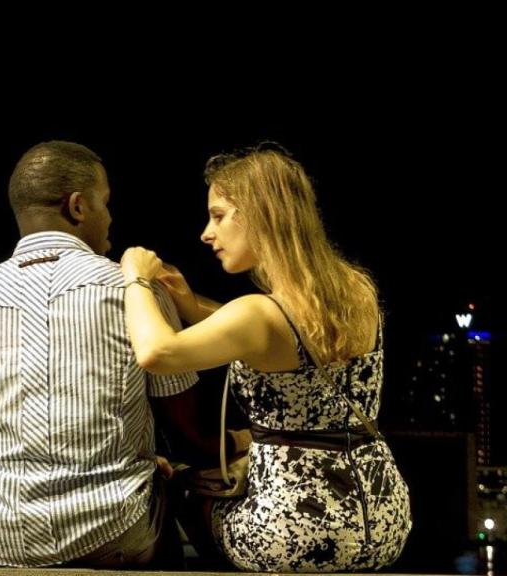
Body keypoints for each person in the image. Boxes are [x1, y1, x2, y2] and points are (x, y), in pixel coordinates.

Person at [120, 143, 412, 572]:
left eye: (218, 215)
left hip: (297, 535)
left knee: (180, 487)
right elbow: (286, 335)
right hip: (383, 522)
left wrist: (136, 279)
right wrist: (189, 303)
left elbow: (156, 352)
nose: (206, 232)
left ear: (260, 214)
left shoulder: (257, 314)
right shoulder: (356, 290)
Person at [0, 140, 204, 569]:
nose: (110, 217)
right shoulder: (132, 290)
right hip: (113, 528)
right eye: (105, 203)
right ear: (78, 207)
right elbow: (188, 430)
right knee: (172, 486)